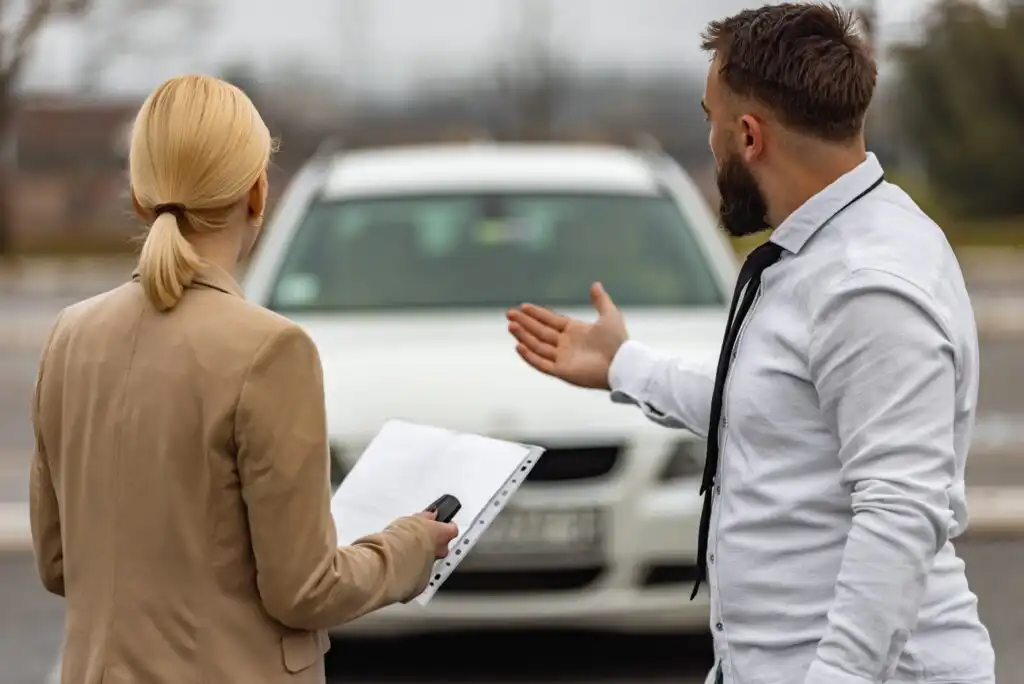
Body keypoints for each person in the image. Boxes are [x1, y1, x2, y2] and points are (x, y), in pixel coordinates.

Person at [507, 4, 995, 684]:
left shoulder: (869, 285)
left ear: (748, 134)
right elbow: (776, 412)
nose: (709, 143)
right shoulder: (820, 251)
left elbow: (900, 510)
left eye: (710, 120)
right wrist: (625, 365)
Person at [29, 75, 458, 684]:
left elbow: (56, 563)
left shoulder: (68, 335)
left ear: (139, 194)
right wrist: (410, 546)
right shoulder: (270, 350)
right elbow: (305, 590)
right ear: (257, 193)